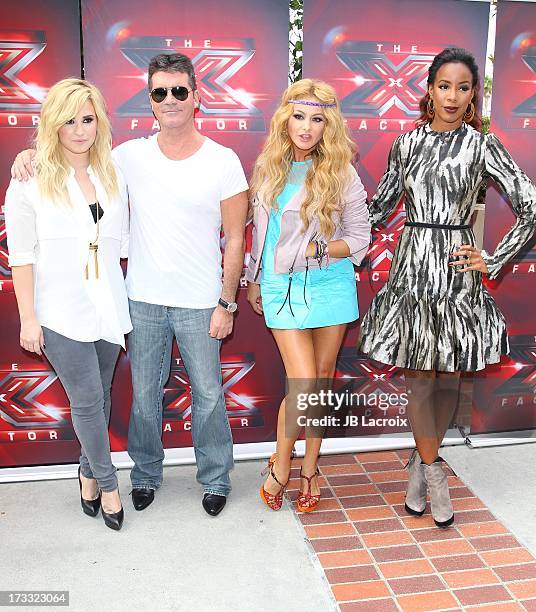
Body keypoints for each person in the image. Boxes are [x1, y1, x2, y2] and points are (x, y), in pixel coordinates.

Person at [11, 53, 249, 518]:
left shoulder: (223, 161)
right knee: (143, 395)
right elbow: (73, 157)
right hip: (139, 299)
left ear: (197, 97)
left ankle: (216, 479)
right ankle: (144, 475)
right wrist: (31, 154)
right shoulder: (127, 158)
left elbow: (237, 237)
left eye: (180, 91)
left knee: (208, 394)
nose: (171, 100)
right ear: (150, 101)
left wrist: (227, 302)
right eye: (160, 92)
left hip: (202, 301)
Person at [357, 48, 536, 527]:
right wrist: (329, 229)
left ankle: (422, 461)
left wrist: (493, 258)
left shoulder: (482, 146)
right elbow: (377, 209)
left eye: (463, 87)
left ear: (473, 93)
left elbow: (530, 204)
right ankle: (434, 469)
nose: (453, 96)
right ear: (430, 89)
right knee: (420, 377)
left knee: (445, 376)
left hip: (457, 270)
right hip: (413, 266)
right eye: (444, 86)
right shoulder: (407, 143)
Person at [5, 78, 131, 531]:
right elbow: (21, 256)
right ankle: (109, 483)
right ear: (52, 125)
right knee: (87, 398)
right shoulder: (30, 180)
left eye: (88, 119)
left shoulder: (113, 174)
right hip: (58, 309)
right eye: (69, 120)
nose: (79, 130)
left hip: (107, 305)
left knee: (99, 397)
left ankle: (85, 474)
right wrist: (29, 318)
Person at [246, 79, 370, 512]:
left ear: (328, 126)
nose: (306, 127)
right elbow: (261, 234)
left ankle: (309, 468)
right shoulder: (268, 168)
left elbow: (360, 239)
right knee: (303, 383)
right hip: (281, 285)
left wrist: (319, 250)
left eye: (317, 119)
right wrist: (255, 278)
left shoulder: (342, 173)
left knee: (318, 382)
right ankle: (282, 463)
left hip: (330, 283)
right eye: (299, 116)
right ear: (286, 118)